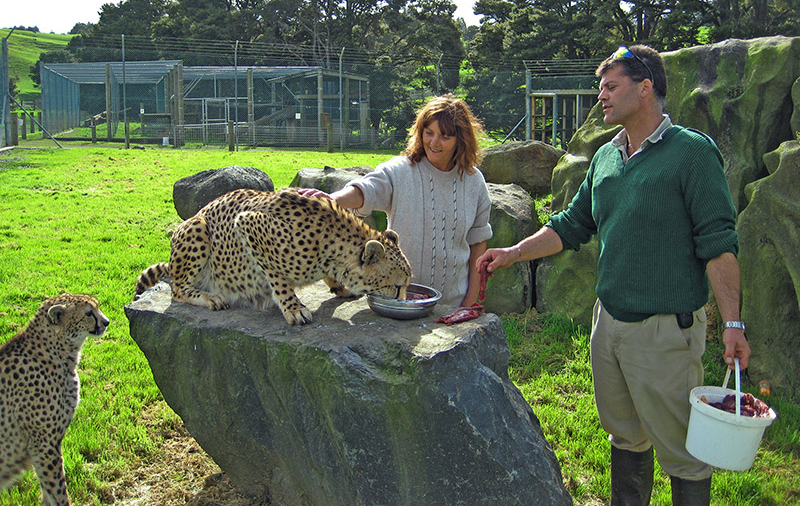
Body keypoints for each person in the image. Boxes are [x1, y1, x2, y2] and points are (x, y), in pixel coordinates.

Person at [476, 45, 750, 506]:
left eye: (610, 86)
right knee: (625, 437)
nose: (600, 96)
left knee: (684, 453)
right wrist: (512, 252)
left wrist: (733, 323)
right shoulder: (606, 156)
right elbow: (571, 224)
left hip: (665, 331)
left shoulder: (691, 153)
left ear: (645, 89)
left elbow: (719, 245)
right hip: (608, 325)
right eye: (599, 87)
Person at [305, 94, 492, 310]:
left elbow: (478, 244)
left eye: (445, 136)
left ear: (461, 139)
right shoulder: (401, 170)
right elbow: (367, 189)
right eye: (428, 133)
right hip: (398, 302)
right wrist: (331, 201)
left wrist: (469, 303)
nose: (434, 142)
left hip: (453, 304)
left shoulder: (474, 182)